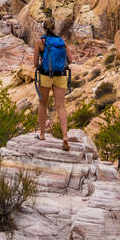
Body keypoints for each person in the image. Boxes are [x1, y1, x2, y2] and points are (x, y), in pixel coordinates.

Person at [33, 17, 72, 151]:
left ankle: (42, 134)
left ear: (44, 28)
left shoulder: (40, 41)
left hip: (45, 76)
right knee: (61, 106)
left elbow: (34, 63)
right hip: (60, 76)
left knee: (43, 103)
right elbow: (70, 60)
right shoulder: (61, 41)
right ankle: (65, 136)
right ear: (54, 28)